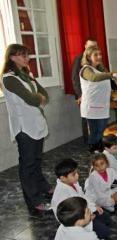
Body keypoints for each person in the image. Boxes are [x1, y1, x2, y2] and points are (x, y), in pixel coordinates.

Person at [1, 44, 51, 211]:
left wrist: (38, 97)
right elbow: (33, 99)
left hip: (36, 123)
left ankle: (42, 187)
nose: (27, 59)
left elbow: (45, 94)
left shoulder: (26, 74)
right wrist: (38, 98)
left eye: (27, 55)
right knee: (28, 164)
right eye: (23, 55)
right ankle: (34, 199)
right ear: (12, 57)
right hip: (24, 127)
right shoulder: (9, 78)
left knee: (37, 159)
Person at [51, 158, 110, 239]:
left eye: (77, 172)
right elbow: (68, 218)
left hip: (84, 212)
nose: (77, 175)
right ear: (63, 178)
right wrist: (87, 218)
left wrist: (94, 207)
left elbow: (83, 197)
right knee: (105, 232)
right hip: (75, 221)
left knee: (106, 218)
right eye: (74, 174)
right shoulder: (61, 196)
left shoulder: (73, 182)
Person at [80, 46, 117, 152]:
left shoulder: (99, 69)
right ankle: (94, 151)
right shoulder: (86, 69)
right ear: (88, 57)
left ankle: (98, 150)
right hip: (92, 107)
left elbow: (104, 86)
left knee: (101, 130)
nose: (99, 57)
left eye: (100, 54)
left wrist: (112, 97)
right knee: (95, 132)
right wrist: (111, 74)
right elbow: (94, 78)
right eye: (95, 55)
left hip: (101, 106)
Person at [71, 39, 98, 143]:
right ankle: (88, 142)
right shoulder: (79, 59)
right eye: (90, 46)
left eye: (95, 46)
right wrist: (80, 95)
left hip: (94, 94)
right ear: (85, 46)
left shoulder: (95, 59)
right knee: (87, 119)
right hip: (83, 95)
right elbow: (75, 78)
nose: (92, 49)